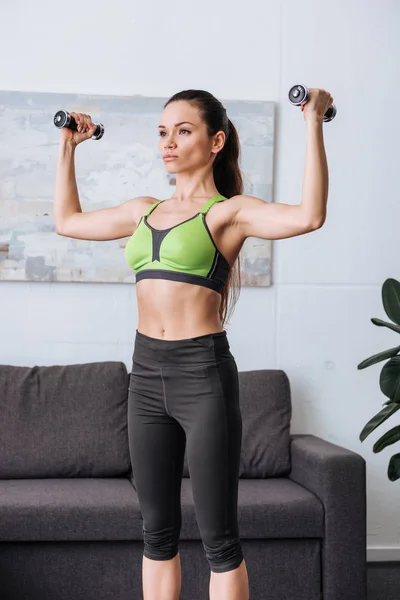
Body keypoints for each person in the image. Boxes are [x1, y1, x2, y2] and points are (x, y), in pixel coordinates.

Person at [54, 87, 332, 600]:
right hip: (145, 376)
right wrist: (69, 146)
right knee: (156, 534)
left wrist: (313, 120)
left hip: (201, 376)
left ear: (216, 141)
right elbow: (67, 222)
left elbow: (309, 215)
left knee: (219, 540)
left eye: (183, 131)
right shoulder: (143, 209)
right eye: (163, 132)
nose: (169, 142)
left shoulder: (229, 213)